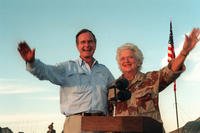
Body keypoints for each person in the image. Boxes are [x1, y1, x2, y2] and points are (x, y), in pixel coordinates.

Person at [18, 29, 115, 133]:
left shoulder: (104, 71)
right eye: (83, 42)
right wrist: (32, 62)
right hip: (76, 125)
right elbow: (46, 71)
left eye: (90, 41)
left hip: (101, 124)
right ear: (77, 46)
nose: (87, 45)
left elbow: (115, 93)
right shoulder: (67, 67)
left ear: (95, 45)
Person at [108, 28, 200, 132]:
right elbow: (107, 118)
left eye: (130, 57)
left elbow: (170, 71)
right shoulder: (112, 88)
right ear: (119, 63)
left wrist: (184, 52)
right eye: (122, 58)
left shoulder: (151, 79)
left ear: (138, 61)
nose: (126, 61)